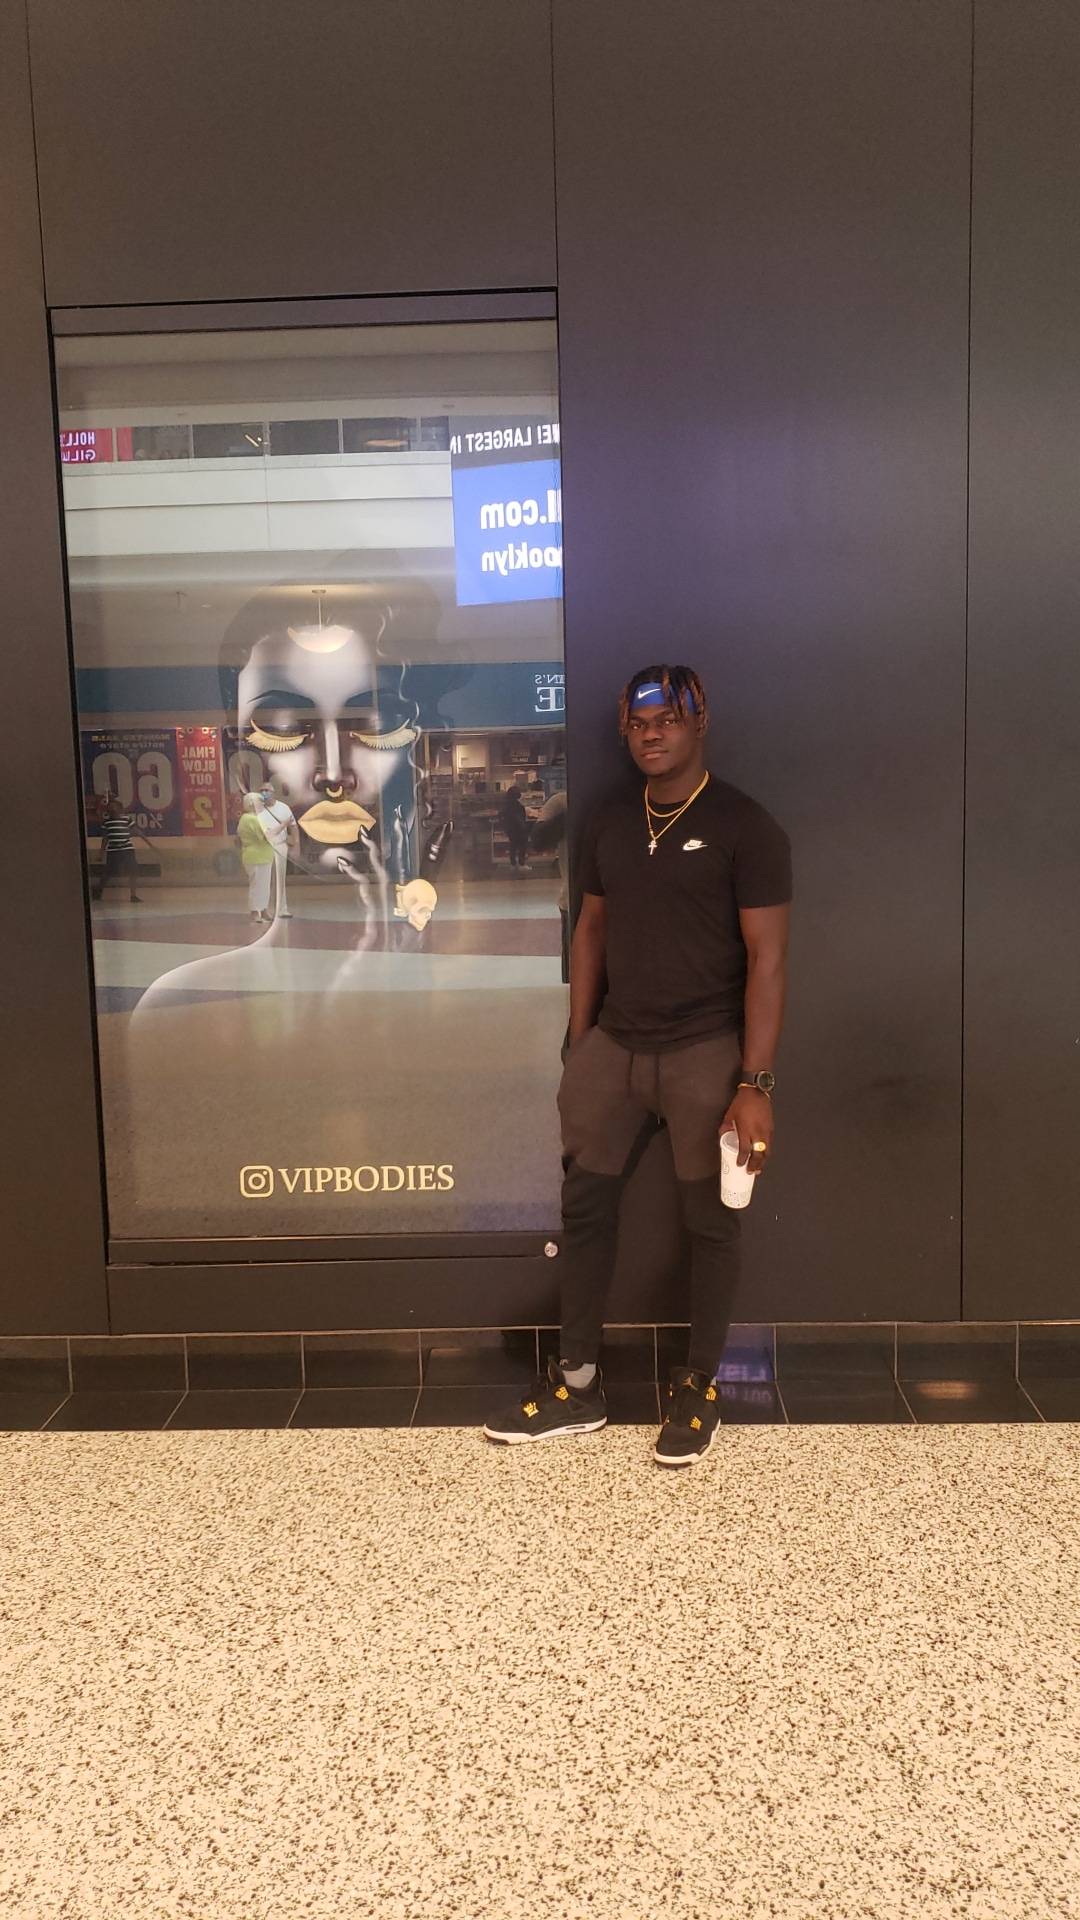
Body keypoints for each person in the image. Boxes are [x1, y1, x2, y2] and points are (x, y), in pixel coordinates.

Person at [485, 664, 792, 1469]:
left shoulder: (746, 826)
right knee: (585, 1210)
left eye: (668, 719)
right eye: (638, 723)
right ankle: (578, 1386)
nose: (651, 734)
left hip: (705, 1054)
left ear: (700, 723)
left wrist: (755, 1083)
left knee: (709, 1223)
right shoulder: (612, 821)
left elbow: (768, 961)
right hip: (615, 1051)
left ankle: (699, 1387)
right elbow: (589, 932)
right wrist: (579, 1042)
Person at [530, 786, 569, 980]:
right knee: (576, 973)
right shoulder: (562, 802)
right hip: (572, 903)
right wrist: (574, 812)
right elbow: (538, 840)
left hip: (618, 905)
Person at [92, 796, 153, 903]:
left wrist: (150, 844)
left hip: (127, 849)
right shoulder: (107, 822)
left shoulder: (126, 819)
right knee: (108, 872)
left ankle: (133, 895)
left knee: (133, 870)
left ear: (120, 809)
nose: (112, 809)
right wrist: (101, 853)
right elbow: (105, 838)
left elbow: (138, 832)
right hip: (113, 850)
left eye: (114, 807)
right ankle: (98, 889)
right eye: (110, 807)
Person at [237, 790, 275, 922]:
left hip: (263, 855)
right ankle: (255, 911)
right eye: (260, 802)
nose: (262, 804)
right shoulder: (251, 819)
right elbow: (264, 836)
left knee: (264, 885)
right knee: (257, 885)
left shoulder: (250, 818)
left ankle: (263, 910)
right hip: (255, 856)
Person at [499, 783, 531, 870]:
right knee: (522, 846)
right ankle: (522, 864)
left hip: (510, 829)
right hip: (519, 829)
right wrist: (524, 827)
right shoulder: (517, 805)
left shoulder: (506, 805)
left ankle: (513, 864)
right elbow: (519, 818)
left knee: (513, 846)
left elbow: (502, 815)